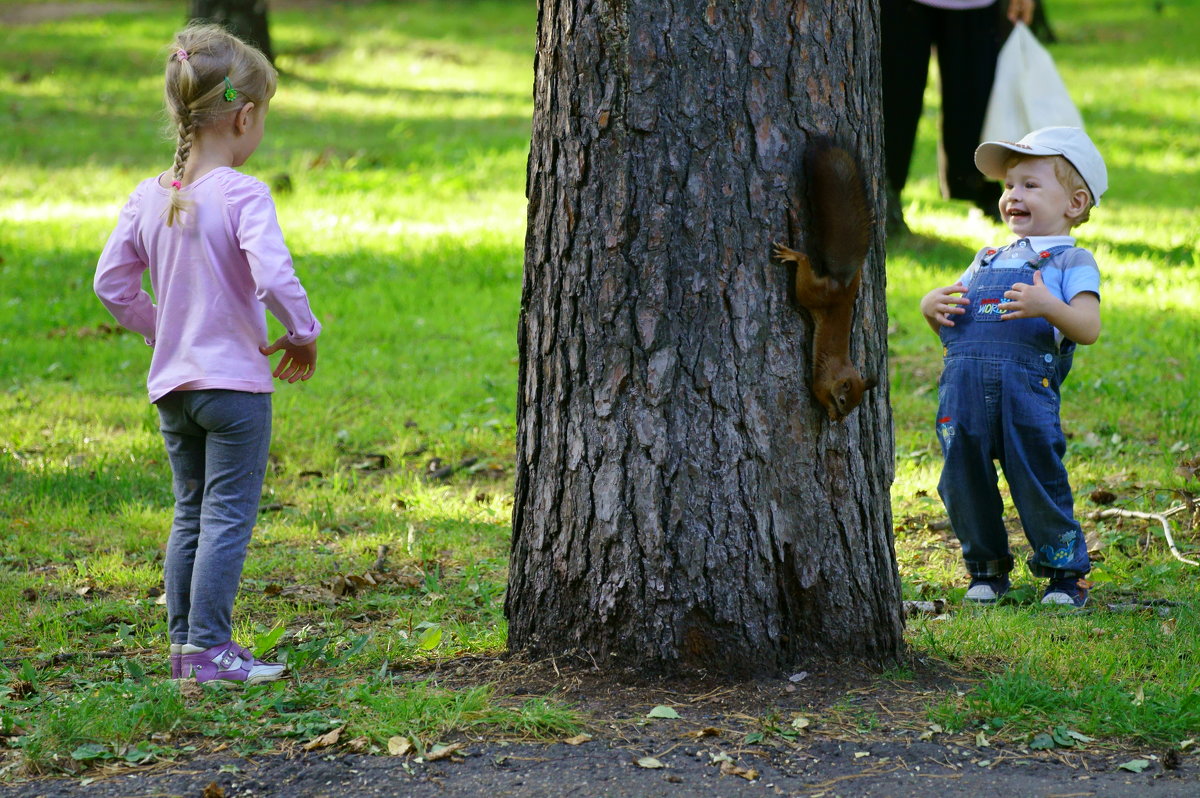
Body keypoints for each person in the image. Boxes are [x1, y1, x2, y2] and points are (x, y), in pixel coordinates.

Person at [94, 23, 321, 682]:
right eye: (262, 121)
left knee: (190, 509)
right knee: (225, 514)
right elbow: (275, 278)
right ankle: (212, 648)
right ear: (245, 116)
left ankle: (187, 650)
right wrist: (302, 333)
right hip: (235, 390)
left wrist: (158, 326)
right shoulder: (243, 194)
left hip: (174, 389)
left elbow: (110, 283)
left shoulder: (150, 197)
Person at [919, 126, 1106, 608]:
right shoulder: (984, 258)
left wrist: (1049, 305)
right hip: (962, 392)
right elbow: (959, 325)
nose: (1013, 196)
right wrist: (930, 307)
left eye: (1029, 185)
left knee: (1037, 477)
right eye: (1008, 186)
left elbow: (1087, 326)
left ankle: (1064, 574)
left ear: (1075, 201)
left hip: (1026, 394)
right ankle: (985, 568)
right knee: (962, 477)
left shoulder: (1070, 261)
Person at [881, 0, 1037, 233]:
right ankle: (886, 191)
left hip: (977, 5)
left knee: (976, 99)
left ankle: (977, 188)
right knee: (894, 100)